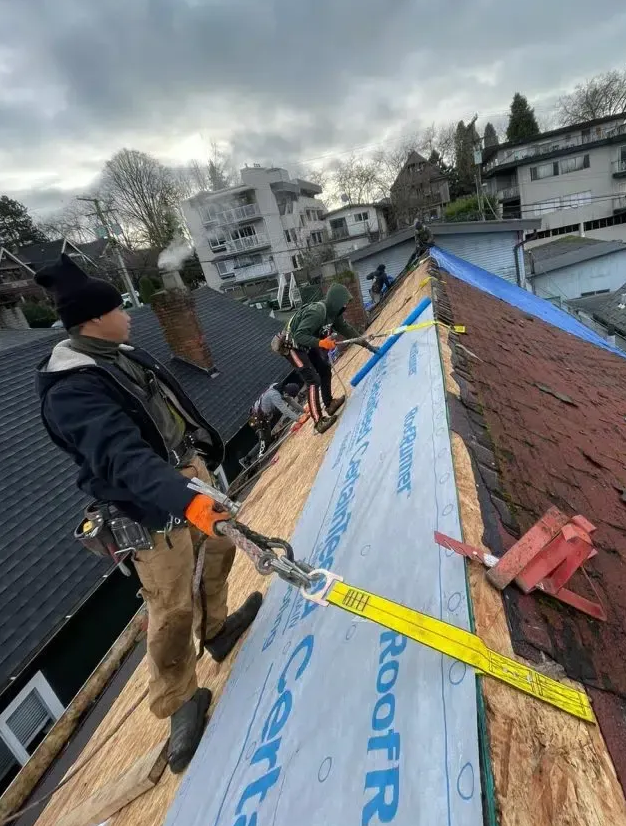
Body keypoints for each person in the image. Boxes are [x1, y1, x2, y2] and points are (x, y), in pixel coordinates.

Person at [34, 255, 262, 774]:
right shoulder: (72, 389)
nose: (130, 314)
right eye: (119, 307)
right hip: (147, 503)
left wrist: (198, 465)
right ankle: (179, 702)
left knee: (219, 550)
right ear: (92, 318)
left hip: (184, 474)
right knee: (171, 603)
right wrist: (184, 497)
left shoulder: (118, 352)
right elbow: (121, 458)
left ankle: (219, 631)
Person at [271, 283, 378, 434]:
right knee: (312, 380)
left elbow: (348, 331)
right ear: (336, 301)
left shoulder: (334, 315)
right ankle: (318, 422)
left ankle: (329, 404)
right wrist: (321, 342)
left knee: (324, 369)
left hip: (306, 345)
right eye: (344, 302)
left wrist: (368, 346)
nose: (346, 305)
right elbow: (299, 335)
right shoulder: (318, 312)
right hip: (292, 347)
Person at [249, 382, 304, 455]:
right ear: (286, 392)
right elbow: (284, 410)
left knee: (267, 438)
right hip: (256, 418)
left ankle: (259, 453)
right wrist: (298, 419)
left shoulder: (279, 388)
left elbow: (290, 401)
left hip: (262, 416)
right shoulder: (275, 395)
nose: (289, 397)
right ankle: (248, 459)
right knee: (264, 439)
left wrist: (304, 410)